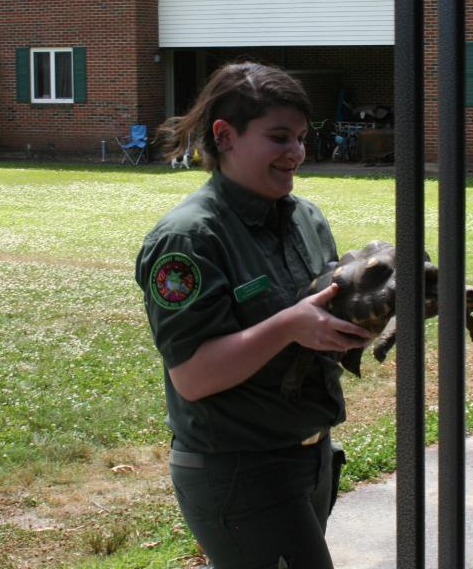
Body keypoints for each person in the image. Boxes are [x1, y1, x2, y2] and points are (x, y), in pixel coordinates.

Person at [135, 62, 372, 569]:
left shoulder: (305, 217)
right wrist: (289, 324)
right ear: (225, 136)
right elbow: (194, 376)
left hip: (310, 457)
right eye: (279, 137)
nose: (297, 154)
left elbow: (318, 323)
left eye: (303, 138)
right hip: (239, 470)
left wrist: (370, 316)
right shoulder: (189, 239)